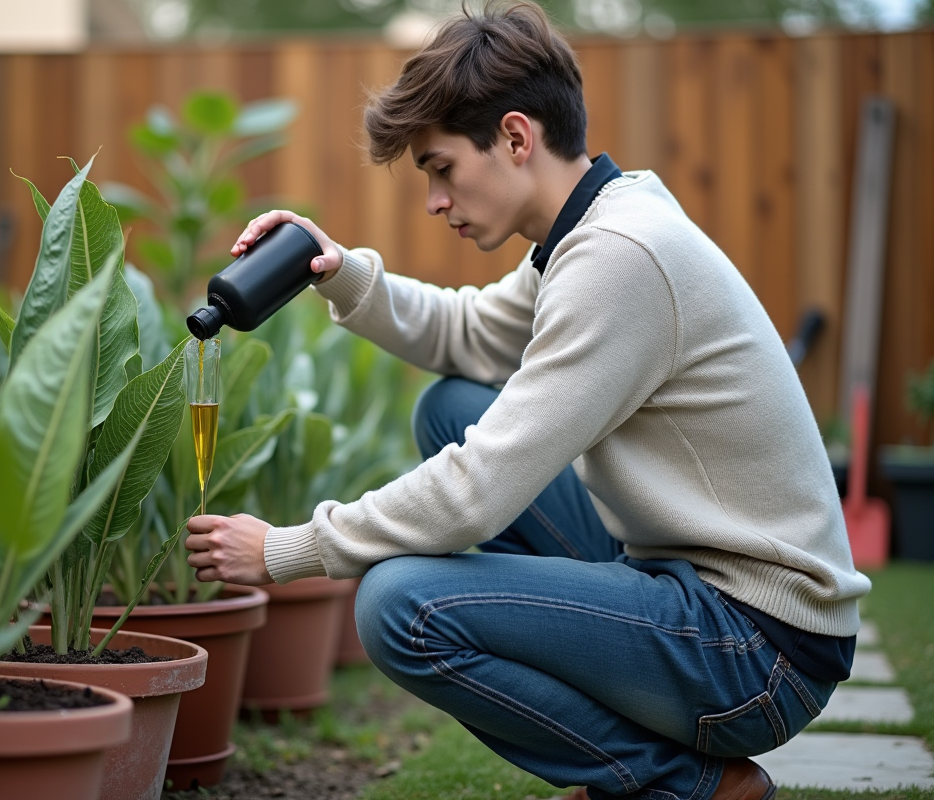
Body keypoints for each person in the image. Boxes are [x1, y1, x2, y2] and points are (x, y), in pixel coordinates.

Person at [183, 3, 870, 799]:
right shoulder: (595, 225)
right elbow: (471, 335)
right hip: (697, 590)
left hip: (758, 648)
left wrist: (287, 550)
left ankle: (684, 785)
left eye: (441, 169)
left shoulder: (620, 259)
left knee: (400, 606)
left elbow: (481, 488)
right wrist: (338, 270)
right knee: (451, 406)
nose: (435, 200)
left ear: (515, 138)